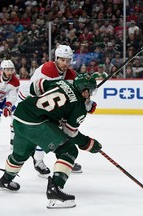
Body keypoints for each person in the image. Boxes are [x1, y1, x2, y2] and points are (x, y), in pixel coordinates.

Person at [0, 75, 102, 209]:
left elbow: (34, 87)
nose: (90, 95)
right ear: (85, 91)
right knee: (69, 150)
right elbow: (71, 133)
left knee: (20, 154)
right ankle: (55, 189)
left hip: (21, 115)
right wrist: (89, 144)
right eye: (90, 92)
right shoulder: (79, 107)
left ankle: (5, 180)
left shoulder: (61, 82)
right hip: (36, 123)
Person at [15, 44, 95, 176]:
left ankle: (65, 158)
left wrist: (87, 102)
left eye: (68, 60)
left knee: (62, 129)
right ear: (56, 58)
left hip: (47, 104)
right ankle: (38, 160)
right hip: (29, 101)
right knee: (45, 131)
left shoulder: (70, 74)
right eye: (62, 60)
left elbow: (76, 94)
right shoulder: (47, 70)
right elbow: (45, 93)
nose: (65, 63)